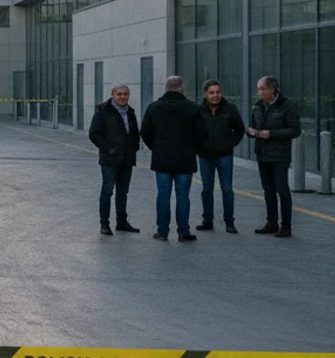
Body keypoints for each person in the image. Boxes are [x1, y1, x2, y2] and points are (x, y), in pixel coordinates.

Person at [140, 76, 207, 241]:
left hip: (162, 159)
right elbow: (202, 134)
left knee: (163, 195)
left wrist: (156, 148)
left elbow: (145, 132)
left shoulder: (154, 107)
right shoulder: (193, 108)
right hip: (185, 159)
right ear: (182, 88)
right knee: (183, 196)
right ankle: (184, 232)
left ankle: (162, 231)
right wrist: (192, 150)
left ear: (166, 88)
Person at [247, 76, 302, 238]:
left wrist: (272, 134)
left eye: (263, 89)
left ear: (273, 90)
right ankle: (271, 223)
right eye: (259, 89)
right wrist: (251, 131)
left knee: (282, 189)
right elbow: (252, 124)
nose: (260, 92)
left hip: (279, 156)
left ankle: (286, 226)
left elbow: (295, 130)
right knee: (268, 190)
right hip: (262, 154)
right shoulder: (258, 105)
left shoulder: (286, 106)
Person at [88, 84, 141, 235]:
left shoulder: (130, 112)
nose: (123, 97)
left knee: (123, 192)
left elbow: (134, 133)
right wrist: (108, 148)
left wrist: (134, 147)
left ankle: (122, 222)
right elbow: (94, 134)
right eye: (119, 94)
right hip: (110, 160)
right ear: (113, 95)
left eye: (126, 94)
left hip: (127, 159)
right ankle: (104, 223)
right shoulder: (103, 113)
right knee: (107, 191)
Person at [196, 79, 245, 234]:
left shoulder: (230, 109)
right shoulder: (198, 110)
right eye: (212, 92)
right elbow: (192, 130)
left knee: (227, 189)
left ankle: (230, 222)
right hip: (205, 156)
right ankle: (207, 220)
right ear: (205, 94)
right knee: (207, 189)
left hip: (225, 155)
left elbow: (240, 129)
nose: (215, 95)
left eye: (218, 92)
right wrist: (199, 146)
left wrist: (230, 143)